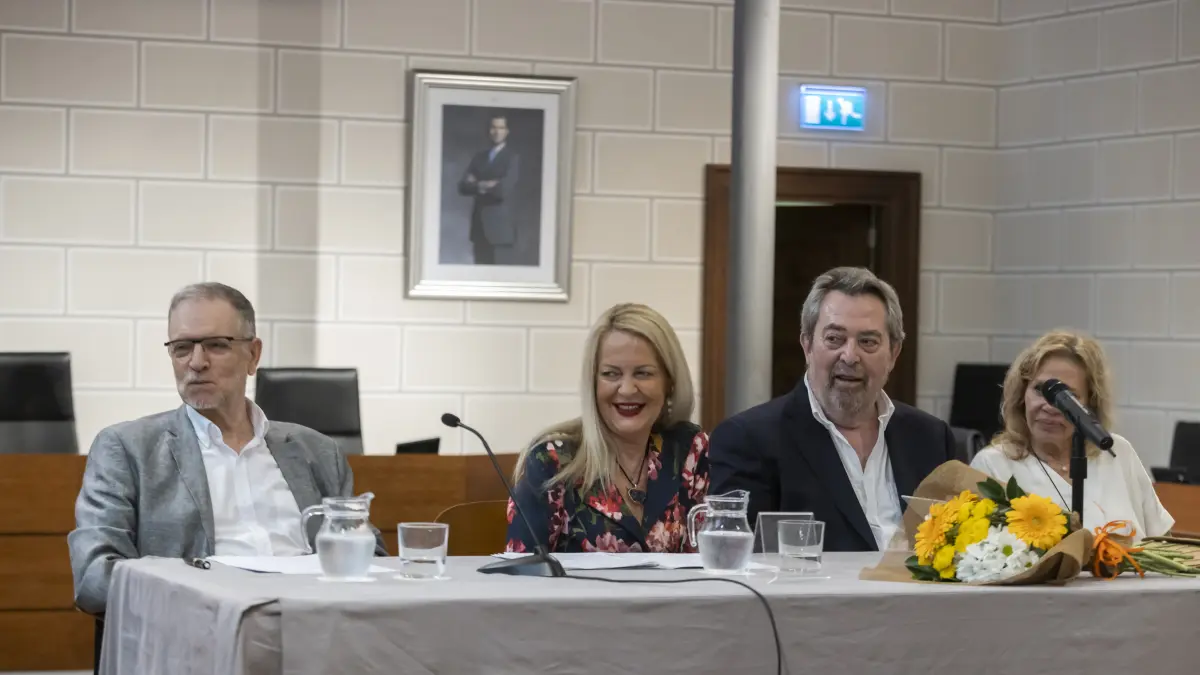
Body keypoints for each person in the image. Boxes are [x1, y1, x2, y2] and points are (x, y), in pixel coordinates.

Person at [68, 282, 386, 616]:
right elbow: (95, 577)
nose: (196, 362)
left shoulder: (318, 452)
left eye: (216, 345)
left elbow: (372, 558)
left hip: (316, 624)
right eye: (182, 348)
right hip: (199, 629)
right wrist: (207, 600)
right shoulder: (127, 449)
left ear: (253, 355)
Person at [708, 266, 956, 552]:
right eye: (834, 339)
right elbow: (738, 562)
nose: (850, 356)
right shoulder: (748, 440)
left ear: (894, 353)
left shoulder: (931, 438)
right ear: (807, 345)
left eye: (868, 342)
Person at [505, 303, 709, 554]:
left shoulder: (690, 451)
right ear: (592, 383)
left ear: (669, 382)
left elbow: (709, 562)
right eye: (611, 374)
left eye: (643, 373)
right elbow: (523, 570)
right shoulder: (552, 462)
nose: (627, 389)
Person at [970, 329, 1173, 539]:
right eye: (1040, 390)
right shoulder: (992, 466)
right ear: (1022, 394)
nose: (1049, 406)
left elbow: (1162, 538)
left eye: (1067, 396)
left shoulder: (1118, 452)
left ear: (1090, 404)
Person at [458, 113, 520, 265]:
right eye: (493, 127)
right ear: (489, 130)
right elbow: (463, 187)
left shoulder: (512, 158)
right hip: (479, 229)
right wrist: (485, 185)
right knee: (480, 274)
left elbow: (502, 190)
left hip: (501, 231)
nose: (497, 132)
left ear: (507, 131)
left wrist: (477, 183)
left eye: (501, 128)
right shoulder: (479, 157)